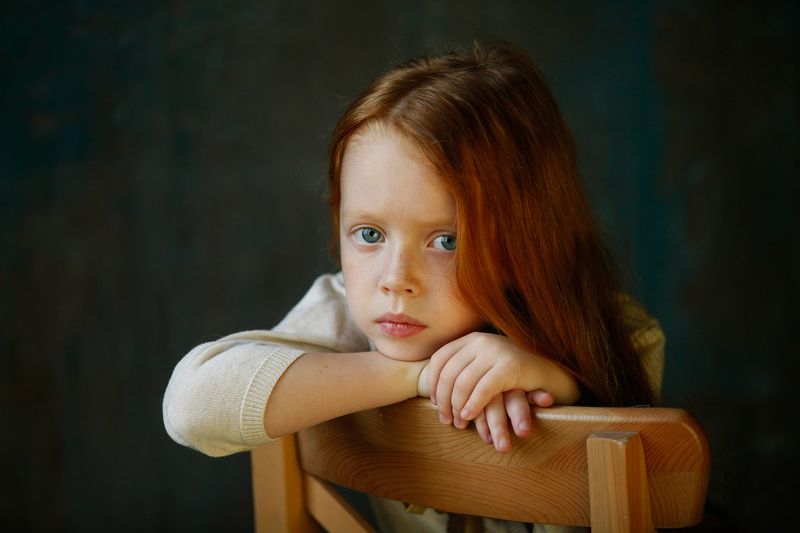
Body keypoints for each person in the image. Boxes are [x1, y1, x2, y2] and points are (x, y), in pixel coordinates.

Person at [163, 42, 664, 532]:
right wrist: (420, 377)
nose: (396, 280)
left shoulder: (625, 334)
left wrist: (560, 382)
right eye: (369, 235)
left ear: (527, 241)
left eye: (446, 240)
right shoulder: (344, 310)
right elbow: (191, 406)